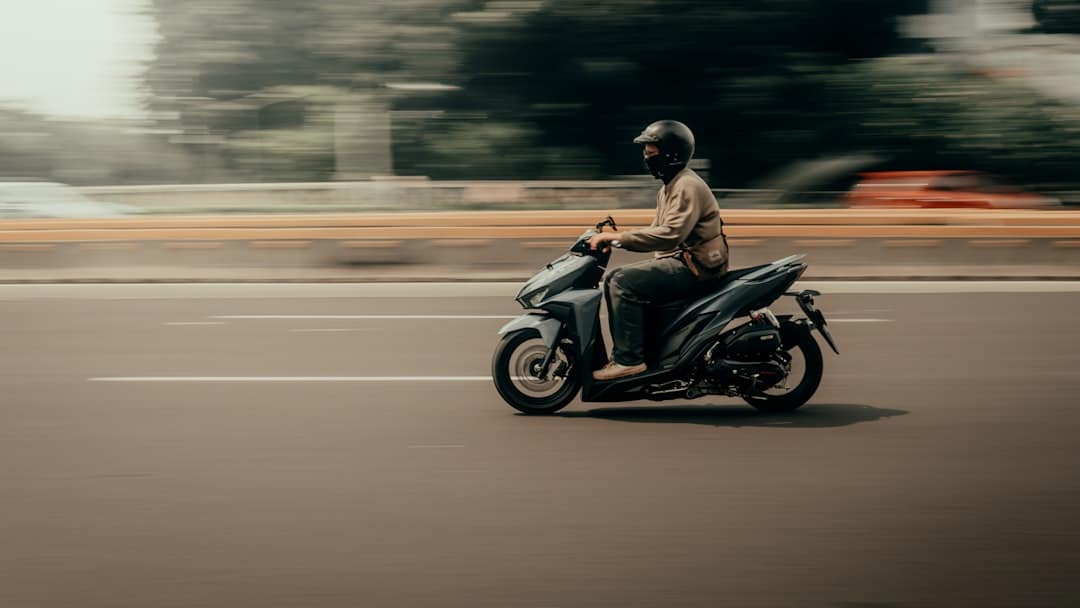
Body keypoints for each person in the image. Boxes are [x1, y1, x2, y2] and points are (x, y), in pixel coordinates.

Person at [587, 120, 729, 381]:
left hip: (697, 267)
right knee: (627, 279)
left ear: (671, 154)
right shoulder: (671, 185)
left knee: (619, 281)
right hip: (686, 261)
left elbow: (669, 236)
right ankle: (644, 352)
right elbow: (657, 232)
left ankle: (629, 360)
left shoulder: (686, 186)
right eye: (645, 152)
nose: (646, 157)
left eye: (651, 152)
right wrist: (615, 240)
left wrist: (618, 238)